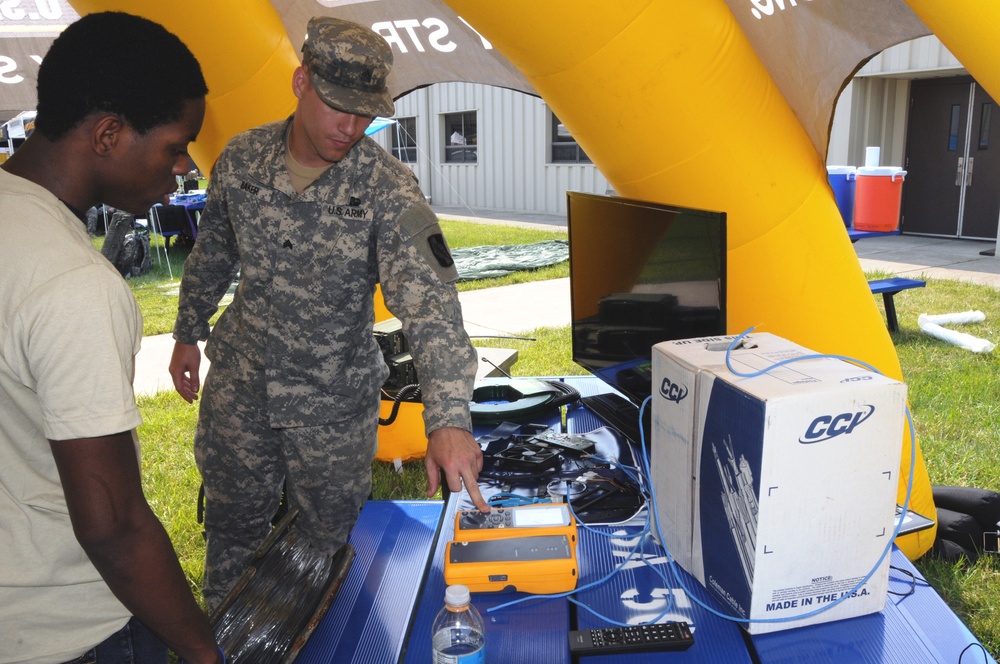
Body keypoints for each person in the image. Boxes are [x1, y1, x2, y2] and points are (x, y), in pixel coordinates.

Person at [168, 16, 489, 611]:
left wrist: (449, 417)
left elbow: (431, 303)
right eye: (339, 106)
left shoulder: (387, 186)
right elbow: (213, 253)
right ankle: (221, 643)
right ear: (300, 82)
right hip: (242, 386)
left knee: (324, 547)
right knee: (232, 531)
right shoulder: (241, 160)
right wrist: (188, 333)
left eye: (365, 113)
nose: (351, 127)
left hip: (333, 403)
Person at [0, 12, 222, 664]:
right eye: (177, 145)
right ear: (107, 134)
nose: (184, 168)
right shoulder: (74, 285)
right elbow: (115, 525)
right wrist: (203, 652)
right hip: (77, 627)